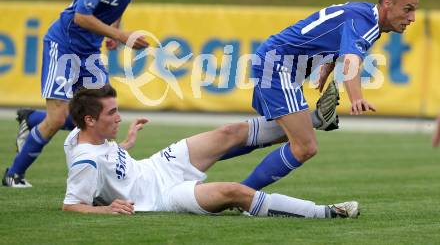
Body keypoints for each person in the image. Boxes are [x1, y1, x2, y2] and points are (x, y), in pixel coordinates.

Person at [3, 0, 154, 187]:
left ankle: (32, 118)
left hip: (90, 50)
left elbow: (119, 3)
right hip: (64, 45)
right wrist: (120, 34)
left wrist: (114, 29)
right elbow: (80, 18)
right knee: (59, 117)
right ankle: (14, 174)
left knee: (97, 118)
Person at [62, 84, 359, 218]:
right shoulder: (85, 161)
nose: (118, 117)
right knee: (234, 192)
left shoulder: (80, 135)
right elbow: (72, 205)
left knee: (228, 133)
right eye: (112, 113)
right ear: (90, 120)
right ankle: (326, 213)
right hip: (161, 197)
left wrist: (125, 144)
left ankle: (317, 119)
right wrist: (105, 208)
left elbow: (108, 163)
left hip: (157, 166)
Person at [240, 0, 419, 191]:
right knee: (304, 147)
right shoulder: (366, 24)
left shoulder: (363, 12)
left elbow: (336, 35)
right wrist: (357, 99)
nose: (412, 18)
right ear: (388, 3)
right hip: (278, 65)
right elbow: (351, 60)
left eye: (414, 11)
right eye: (407, 9)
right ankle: (240, 193)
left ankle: (194, 158)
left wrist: (327, 66)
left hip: (276, 61)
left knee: (266, 134)